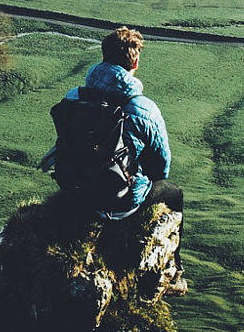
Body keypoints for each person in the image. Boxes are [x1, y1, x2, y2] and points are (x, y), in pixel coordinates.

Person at [41, 26, 182, 219]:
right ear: (136, 62)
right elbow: (161, 165)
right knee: (172, 193)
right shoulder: (145, 109)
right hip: (122, 199)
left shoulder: (74, 96)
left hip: (76, 190)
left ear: (104, 56)